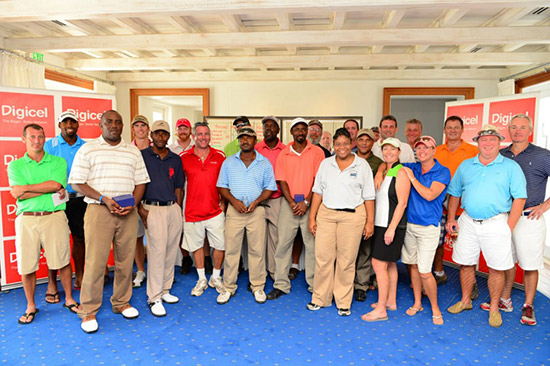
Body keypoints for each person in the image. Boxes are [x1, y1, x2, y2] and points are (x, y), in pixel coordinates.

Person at [69, 110, 150, 333]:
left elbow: (141, 182)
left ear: (123, 126)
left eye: (118, 122)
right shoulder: (88, 149)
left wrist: (133, 203)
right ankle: (88, 310)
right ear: (101, 124)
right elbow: (77, 183)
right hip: (99, 210)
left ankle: (121, 302)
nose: (114, 126)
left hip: (127, 212)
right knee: (95, 262)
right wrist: (104, 199)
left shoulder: (132, 151)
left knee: (125, 261)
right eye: (109, 122)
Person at [446, 124, 526, 328]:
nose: (488, 143)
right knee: (465, 263)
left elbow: (520, 198)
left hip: (496, 223)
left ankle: (494, 308)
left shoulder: (510, 167)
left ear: (499, 143)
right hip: (468, 221)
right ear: (478, 143)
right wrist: (451, 219)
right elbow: (454, 193)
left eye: (492, 139)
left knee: (497, 269)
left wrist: (509, 226)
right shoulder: (466, 165)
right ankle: (466, 301)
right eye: (484, 139)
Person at [8, 124, 80, 324]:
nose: (37, 140)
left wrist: (26, 189)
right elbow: (17, 193)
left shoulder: (58, 161)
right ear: (24, 139)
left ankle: (69, 299)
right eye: (32, 137)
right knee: (27, 264)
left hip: (54, 215)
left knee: (63, 260)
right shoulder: (15, 166)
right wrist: (45, 188)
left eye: (40, 136)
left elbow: (56, 185)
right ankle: (31, 306)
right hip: (27, 219)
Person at [307, 128, 375, 316]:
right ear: (333, 145)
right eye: (338, 144)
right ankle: (320, 298)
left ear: (351, 144)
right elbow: (317, 192)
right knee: (323, 258)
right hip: (327, 214)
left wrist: (370, 222)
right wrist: (312, 217)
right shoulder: (325, 164)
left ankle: (343, 301)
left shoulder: (362, 166)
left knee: (346, 260)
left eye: (346, 143)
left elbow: (369, 196)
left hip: (352, 216)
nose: (342, 147)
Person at [495, 114, 550, 326]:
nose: (518, 131)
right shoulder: (501, 154)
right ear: (509, 130)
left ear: (530, 131)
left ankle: (528, 305)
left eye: (522, 127)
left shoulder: (543, 155)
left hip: (529, 218)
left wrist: (545, 205)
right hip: (503, 217)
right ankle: (505, 300)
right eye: (514, 127)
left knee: (530, 264)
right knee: (505, 260)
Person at [216, 127, 277, 304]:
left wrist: (256, 202)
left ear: (254, 140)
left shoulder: (264, 163)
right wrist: (234, 202)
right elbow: (221, 186)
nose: (245, 141)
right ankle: (228, 287)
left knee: (257, 250)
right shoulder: (228, 162)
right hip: (234, 212)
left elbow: (269, 188)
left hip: (256, 211)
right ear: (239, 141)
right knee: (232, 250)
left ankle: (258, 287)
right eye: (241, 138)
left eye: (248, 138)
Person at [267, 118, 325, 300]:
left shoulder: (317, 152)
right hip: (289, 205)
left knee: (312, 246)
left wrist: (306, 202)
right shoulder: (284, 154)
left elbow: (319, 180)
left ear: (306, 131)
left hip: (311, 204)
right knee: (283, 245)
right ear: (291, 132)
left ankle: (315, 285)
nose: (300, 132)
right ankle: (281, 284)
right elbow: (281, 181)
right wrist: (292, 202)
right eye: (296, 129)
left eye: (303, 129)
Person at [400, 136, 450, 325]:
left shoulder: (442, 171)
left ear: (434, 150)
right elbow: (390, 164)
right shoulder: (412, 166)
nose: (421, 152)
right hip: (410, 225)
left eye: (425, 148)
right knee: (412, 265)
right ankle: (418, 303)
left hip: (429, 227)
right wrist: (381, 172)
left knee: (424, 271)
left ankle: (436, 309)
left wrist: (411, 178)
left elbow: (429, 195)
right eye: (418, 149)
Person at [138, 120, 184, 317]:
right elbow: (136, 184)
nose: (160, 137)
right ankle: (154, 297)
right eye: (157, 133)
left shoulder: (175, 158)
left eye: (164, 133)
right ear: (152, 135)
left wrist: (178, 208)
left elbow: (178, 186)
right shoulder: (142, 156)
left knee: (170, 251)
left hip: (172, 208)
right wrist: (141, 209)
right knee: (156, 253)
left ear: (168, 136)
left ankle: (165, 290)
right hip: (152, 208)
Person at [361, 137, 410, 322]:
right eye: (385, 149)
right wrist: (381, 170)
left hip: (391, 226)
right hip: (381, 223)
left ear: (399, 152)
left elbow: (402, 203)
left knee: (378, 264)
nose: (388, 152)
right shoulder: (386, 169)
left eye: (392, 149)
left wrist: (391, 229)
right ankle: (390, 301)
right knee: (389, 264)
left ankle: (381, 309)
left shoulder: (402, 172)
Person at [181, 122, 226, 296]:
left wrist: (224, 203)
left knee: (220, 245)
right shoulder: (184, 157)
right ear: (194, 136)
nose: (203, 137)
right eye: (200, 134)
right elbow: (179, 185)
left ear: (210, 136)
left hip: (215, 210)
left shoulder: (220, 156)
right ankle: (202, 279)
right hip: (192, 211)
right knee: (197, 246)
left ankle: (216, 277)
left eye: (206, 134)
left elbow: (225, 182)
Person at [433, 116, 478, 289]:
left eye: (456, 127)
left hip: (464, 207)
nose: (452, 130)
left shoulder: (473, 151)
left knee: (467, 246)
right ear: (444, 130)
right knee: (437, 241)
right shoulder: (436, 150)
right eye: (449, 127)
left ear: (462, 129)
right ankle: (439, 272)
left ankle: (471, 283)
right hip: (439, 204)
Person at [44, 111, 87, 292]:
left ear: (78, 125)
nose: (69, 124)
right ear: (59, 125)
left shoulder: (85, 146)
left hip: (80, 199)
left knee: (79, 239)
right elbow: (44, 171)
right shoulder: (50, 145)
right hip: (57, 199)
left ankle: (81, 276)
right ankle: (52, 282)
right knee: (54, 241)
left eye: (73, 121)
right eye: (65, 122)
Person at [353, 128, 383, 302]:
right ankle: (346, 283)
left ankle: (361, 285)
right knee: (348, 250)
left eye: (368, 140)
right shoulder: (349, 158)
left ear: (373, 142)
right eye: (361, 140)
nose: (364, 143)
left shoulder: (379, 162)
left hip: (369, 210)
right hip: (351, 210)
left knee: (365, 249)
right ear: (356, 141)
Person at [255, 116, 286, 280]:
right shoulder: (257, 148)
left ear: (278, 130)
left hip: (277, 200)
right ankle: (258, 276)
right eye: (265, 126)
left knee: (276, 239)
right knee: (258, 240)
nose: (268, 129)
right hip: (258, 200)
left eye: (272, 126)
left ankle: (274, 274)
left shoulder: (285, 149)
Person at [131, 114, 151, 288]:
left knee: (155, 239)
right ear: (133, 130)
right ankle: (140, 270)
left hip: (154, 201)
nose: (140, 129)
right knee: (138, 237)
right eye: (137, 126)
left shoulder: (157, 148)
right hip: (135, 201)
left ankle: (155, 271)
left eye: (143, 125)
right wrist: (137, 205)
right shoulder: (127, 150)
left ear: (148, 129)